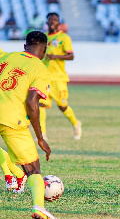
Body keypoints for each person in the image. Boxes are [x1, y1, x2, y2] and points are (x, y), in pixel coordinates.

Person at [0, 31, 56, 218]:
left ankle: (14, 174)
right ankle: (38, 207)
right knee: (33, 169)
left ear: (25, 46)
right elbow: (32, 103)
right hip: (13, 120)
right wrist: (40, 138)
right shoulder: (41, 70)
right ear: (45, 50)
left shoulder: (7, 56)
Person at [40, 12, 82, 140]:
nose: (52, 22)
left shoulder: (64, 38)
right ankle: (42, 134)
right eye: (50, 20)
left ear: (59, 23)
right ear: (47, 23)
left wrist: (55, 56)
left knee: (62, 106)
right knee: (41, 104)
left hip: (58, 78)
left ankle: (76, 123)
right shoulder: (44, 38)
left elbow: (71, 55)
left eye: (55, 20)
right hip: (45, 78)